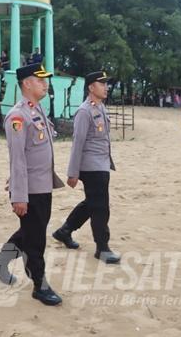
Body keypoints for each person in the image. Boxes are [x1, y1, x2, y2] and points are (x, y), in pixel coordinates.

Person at [0, 63, 65, 306]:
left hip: (43, 184)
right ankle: (39, 285)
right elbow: (17, 159)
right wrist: (18, 196)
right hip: (30, 189)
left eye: (45, 79)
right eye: (40, 79)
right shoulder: (18, 116)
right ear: (26, 83)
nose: (45, 83)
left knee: (32, 231)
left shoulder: (37, 109)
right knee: (35, 240)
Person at [52, 71, 120, 264]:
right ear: (91, 87)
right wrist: (73, 173)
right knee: (101, 208)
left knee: (92, 203)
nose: (106, 87)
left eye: (106, 84)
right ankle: (102, 248)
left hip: (102, 164)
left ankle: (64, 231)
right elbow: (77, 143)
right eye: (102, 84)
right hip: (91, 167)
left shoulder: (100, 107)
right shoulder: (84, 111)